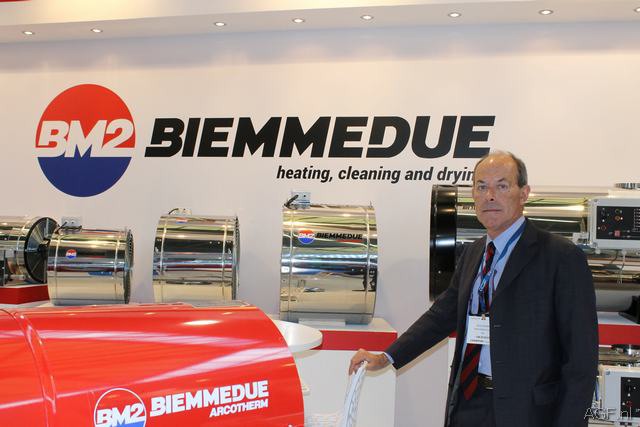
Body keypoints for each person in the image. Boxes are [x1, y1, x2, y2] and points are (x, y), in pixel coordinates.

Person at [349, 151, 598, 427]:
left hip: (528, 412)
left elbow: (581, 360)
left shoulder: (561, 257)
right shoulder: (474, 253)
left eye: (502, 186)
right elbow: (440, 317)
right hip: (468, 401)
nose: (490, 196)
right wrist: (387, 356)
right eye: (481, 187)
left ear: (524, 193)